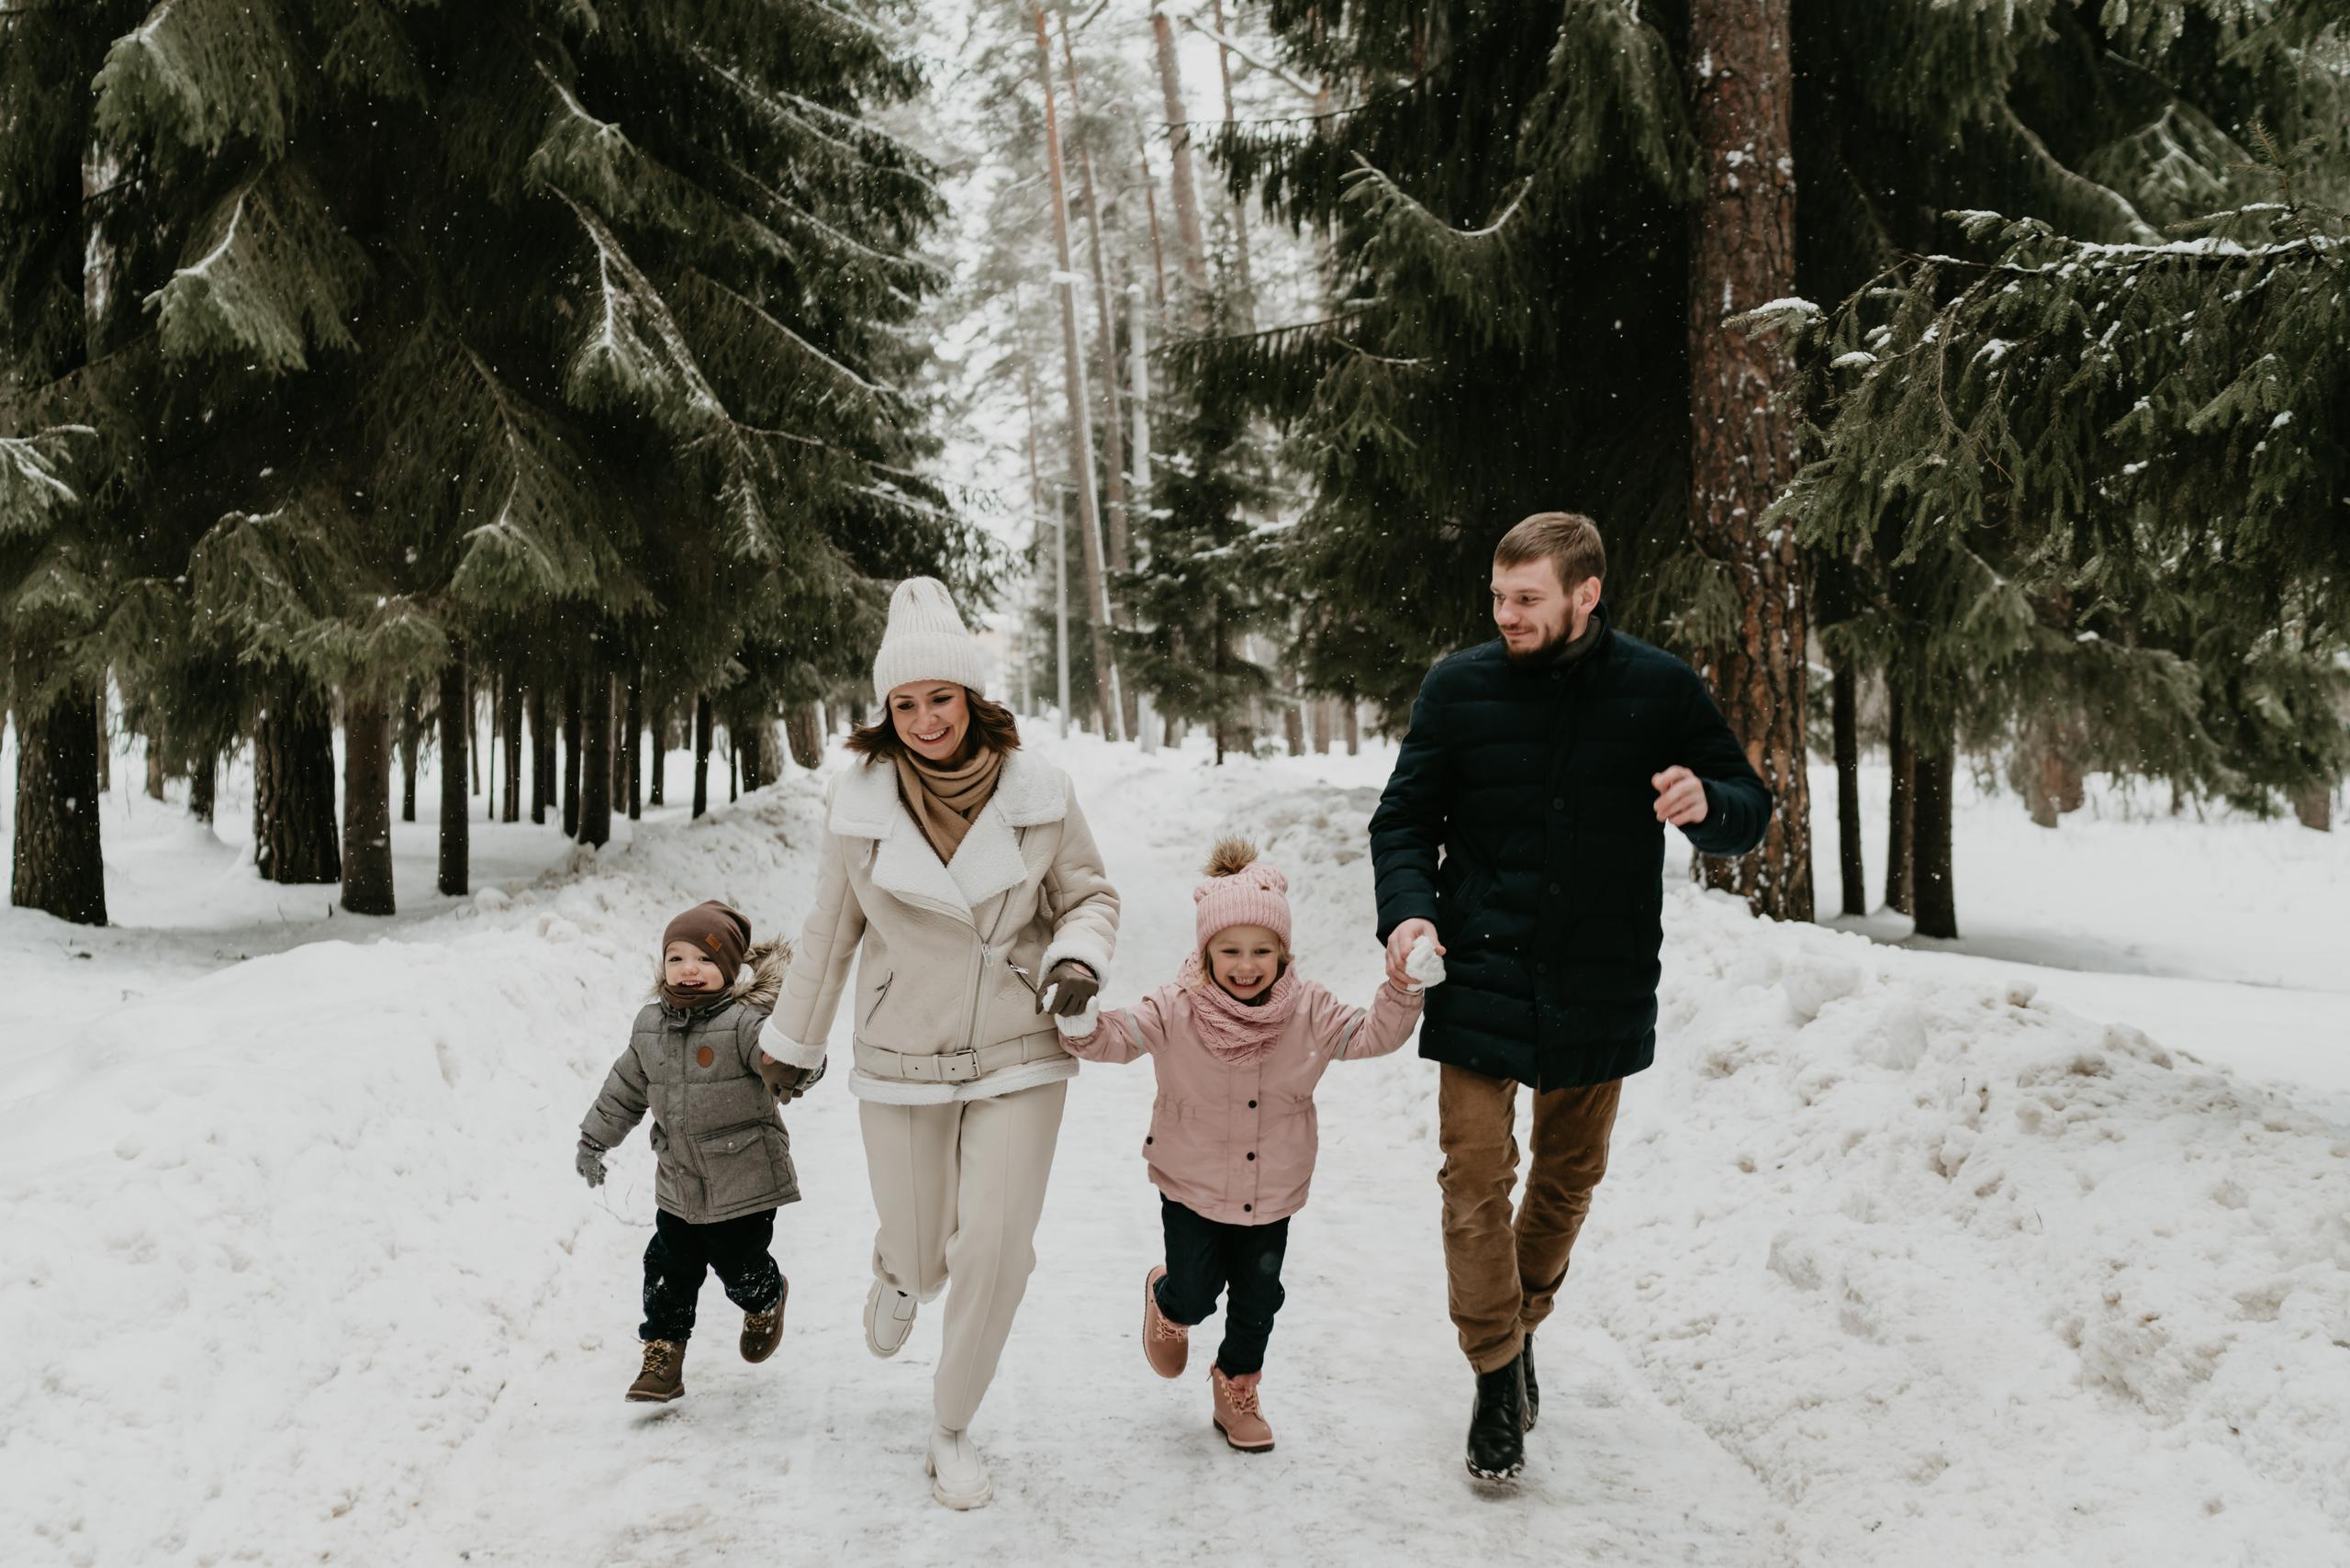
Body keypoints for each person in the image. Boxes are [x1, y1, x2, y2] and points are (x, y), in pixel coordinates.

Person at [1367, 511, 1772, 1483]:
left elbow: (1746, 806)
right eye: (1497, 597)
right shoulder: (1458, 687)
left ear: (1586, 594)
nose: (1505, 614)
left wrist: (1709, 805)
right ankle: (1493, 1372)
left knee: (1566, 1179)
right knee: (1473, 1181)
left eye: (1526, 598)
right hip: (1478, 969)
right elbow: (1404, 819)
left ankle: (1520, 1325)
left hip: (1602, 974)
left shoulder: (1659, 688)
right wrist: (1410, 915)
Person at [756, 577, 1118, 1510]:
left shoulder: (1041, 791)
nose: (925, 721)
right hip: (904, 1048)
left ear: (971, 696)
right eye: (906, 703)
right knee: (926, 1258)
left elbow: (1088, 895)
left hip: (1018, 1042)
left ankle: (951, 1425)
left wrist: (1077, 957)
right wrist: (794, 1037)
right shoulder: (859, 803)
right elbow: (831, 929)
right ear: (888, 709)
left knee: (996, 1248)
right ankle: (898, 1271)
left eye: (941, 698)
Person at [1055, 839, 1438, 1452]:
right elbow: (1119, 1036)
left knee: (1259, 1298)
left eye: (1262, 950)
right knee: (1195, 1292)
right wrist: (1080, 1023)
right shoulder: (1176, 1007)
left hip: (1273, 1187)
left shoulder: (1308, 1009)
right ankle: (1169, 1303)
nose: (1246, 965)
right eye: (1229, 950)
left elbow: (1370, 1035)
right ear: (1206, 952)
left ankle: (1236, 1386)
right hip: (1191, 1183)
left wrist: (1404, 988)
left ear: (1283, 953)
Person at [576, 901, 816, 1403]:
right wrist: (595, 1139)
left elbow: (788, 1053)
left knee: (738, 1265)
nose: (689, 969)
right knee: (668, 1266)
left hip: (744, 1179)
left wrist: (797, 1066)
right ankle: (662, 1355)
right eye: (677, 958)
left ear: (728, 968)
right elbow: (624, 1089)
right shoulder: (649, 1027)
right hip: (679, 1184)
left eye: (705, 959)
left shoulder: (745, 1023)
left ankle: (766, 1297)